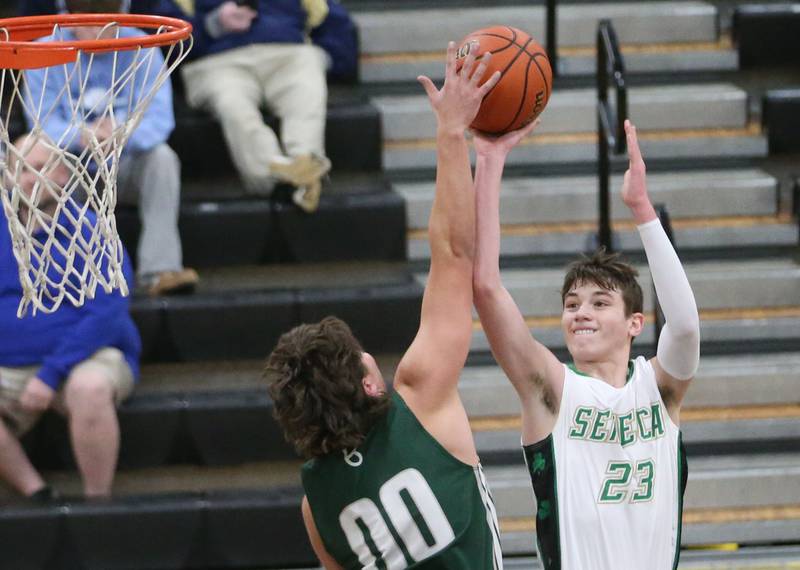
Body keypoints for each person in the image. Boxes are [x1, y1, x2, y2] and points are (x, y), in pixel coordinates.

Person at [264, 44, 503, 568]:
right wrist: (450, 133)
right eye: (364, 357)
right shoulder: (420, 395)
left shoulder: (316, 505)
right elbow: (454, 254)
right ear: (370, 383)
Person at [471, 119, 700, 569]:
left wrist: (641, 209)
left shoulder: (658, 388)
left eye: (599, 303)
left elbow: (687, 327)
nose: (581, 312)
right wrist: (489, 161)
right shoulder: (552, 390)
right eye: (572, 303)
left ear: (635, 323)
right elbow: (486, 289)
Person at [21, 0, 199, 296]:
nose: (98, 32)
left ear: (122, 17)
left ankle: (160, 270)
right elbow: (38, 123)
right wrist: (79, 136)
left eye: (107, 24)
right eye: (90, 23)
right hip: (69, 166)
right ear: (70, 18)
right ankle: (49, 273)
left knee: (163, 158)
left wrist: (122, 135)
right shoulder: (44, 48)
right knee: (38, 164)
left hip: (124, 163)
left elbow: (160, 119)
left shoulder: (143, 47)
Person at [0, 134, 141, 499]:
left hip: (86, 358)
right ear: (7, 177)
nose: (30, 178)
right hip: (8, 367)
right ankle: (37, 493)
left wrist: (51, 373)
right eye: (21, 169)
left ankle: (98, 502)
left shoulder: (93, 231)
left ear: (63, 174)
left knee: (89, 388)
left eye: (40, 167)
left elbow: (107, 314)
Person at [165, 0, 336, 212]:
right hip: (218, 59)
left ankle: (306, 163)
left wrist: (329, 56)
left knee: (307, 86)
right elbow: (164, 33)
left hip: (289, 51)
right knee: (232, 104)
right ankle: (277, 175)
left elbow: (332, 21)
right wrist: (211, 24)